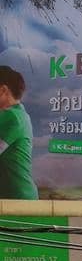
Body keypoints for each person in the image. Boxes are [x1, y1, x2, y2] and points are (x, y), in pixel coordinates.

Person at [0, 66, 37, 201]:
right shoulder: (20, 113)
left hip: (15, 200)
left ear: (3, 90)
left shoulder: (10, 116)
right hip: (19, 196)